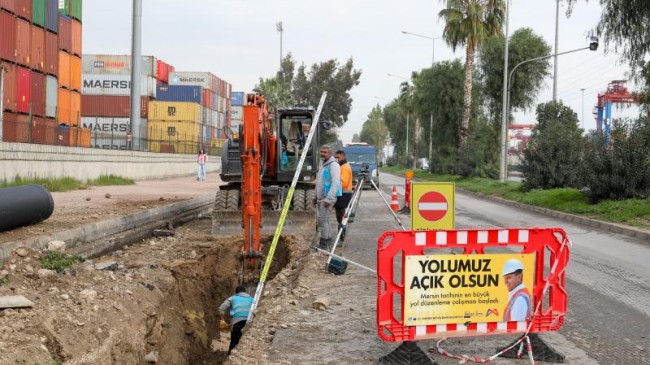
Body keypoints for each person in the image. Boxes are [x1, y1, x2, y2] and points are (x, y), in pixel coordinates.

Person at [313, 145, 341, 250]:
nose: (322, 153)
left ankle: (324, 245)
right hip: (321, 198)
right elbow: (319, 182)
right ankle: (327, 242)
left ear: (330, 153)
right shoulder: (324, 165)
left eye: (325, 152)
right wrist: (316, 196)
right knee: (325, 220)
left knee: (322, 221)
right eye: (321, 151)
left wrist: (329, 199)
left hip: (327, 198)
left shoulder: (333, 165)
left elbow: (335, 183)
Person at [219, 286, 253, 355]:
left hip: (236, 322)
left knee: (234, 342)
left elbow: (221, 308)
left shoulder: (232, 298)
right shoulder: (252, 299)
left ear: (236, 293)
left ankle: (231, 357)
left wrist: (222, 320)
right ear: (245, 291)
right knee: (246, 343)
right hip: (249, 322)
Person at [333, 150, 353, 241]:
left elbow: (343, 183)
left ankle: (341, 237)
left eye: (338, 157)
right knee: (340, 216)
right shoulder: (342, 166)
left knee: (341, 217)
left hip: (343, 195)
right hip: (342, 194)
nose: (336, 159)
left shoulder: (344, 167)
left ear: (343, 157)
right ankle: (341, 236)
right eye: (335, 157)